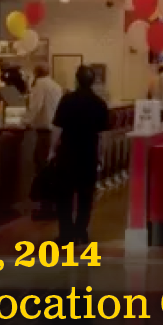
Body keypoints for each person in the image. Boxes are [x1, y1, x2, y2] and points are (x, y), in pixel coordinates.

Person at [51, 65, 110, 245]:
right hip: (89, 153)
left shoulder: (67, 100)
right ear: (93, 81)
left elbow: (57, 129)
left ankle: (65, 233)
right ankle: (81, 231)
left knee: (64, 195)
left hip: (68, 152)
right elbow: (103, 135)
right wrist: (102, 156)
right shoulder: (99, 104)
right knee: (86, 195)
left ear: (76, 80)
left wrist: (52, 151)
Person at [26, 65, 64, 220]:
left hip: (44, 132)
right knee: (51, 167)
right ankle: (52, 204)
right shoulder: (56, 86)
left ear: (36, 72)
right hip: (55, 130)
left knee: (42, 166)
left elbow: (36, 106)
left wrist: (25, 121)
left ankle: (44, 205)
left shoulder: (40, 85)